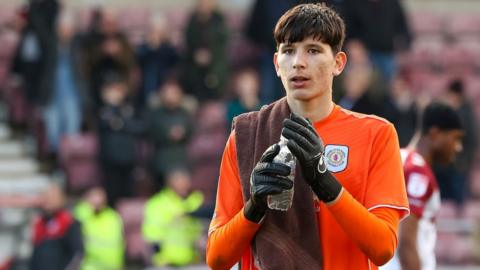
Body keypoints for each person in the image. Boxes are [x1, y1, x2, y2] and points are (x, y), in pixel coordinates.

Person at [206, 4, 409, 270]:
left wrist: (325, 183)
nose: (298, 62)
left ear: (338, 63)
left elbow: (383, 248)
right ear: (277, 64)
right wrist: (254, 206)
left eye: (313, 50)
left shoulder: (376, 134)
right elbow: (217, 259)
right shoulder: (246, 134)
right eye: (288, 51)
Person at [381, 102, 463, 270]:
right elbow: (407, 244)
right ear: (435, 134)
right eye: (455, 138)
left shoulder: (400, 158)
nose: (458, 147)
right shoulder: (417, 172)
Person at [142, 169, 204, 267]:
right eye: (180, 182)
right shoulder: (157, 204)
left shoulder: (193, 203)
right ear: (170, 183)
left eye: (186, 182)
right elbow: (152, 238)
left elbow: (198, 235)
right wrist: (159, 260)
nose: (184, 186)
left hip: (190, 262)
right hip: (166, 264)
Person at [30, 182, 83, 270]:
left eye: (52, 197)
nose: (47, 200)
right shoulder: (40, 222)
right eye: (45, 197)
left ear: (61, 199)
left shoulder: (68, 221)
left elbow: (77, 254)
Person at [74, 186, 125, 270]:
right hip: (90, 266)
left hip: (113, 266)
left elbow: (120, 242)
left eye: (100, 196)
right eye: (93, 196)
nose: (97, 200)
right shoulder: (80, 214)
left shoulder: (113, 216)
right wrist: (88, 208)